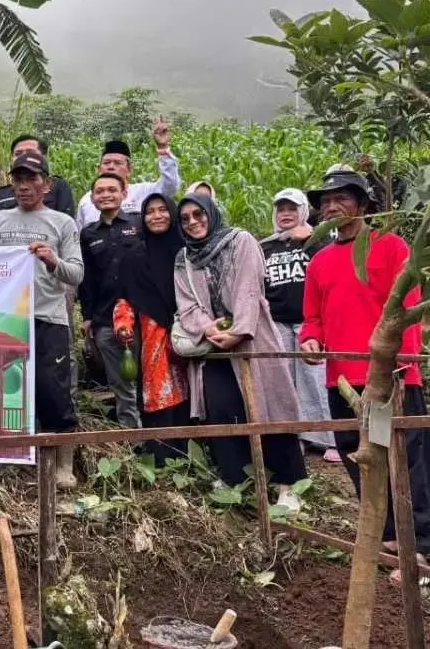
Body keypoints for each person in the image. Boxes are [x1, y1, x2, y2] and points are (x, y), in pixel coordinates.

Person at [300, 170, 430, 562]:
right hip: (341, 380)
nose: (331, 207)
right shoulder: (319, 261)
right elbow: (313, 318)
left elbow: (407, 310)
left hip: (391, 376)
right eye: (325, 201)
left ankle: (420, 543)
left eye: (341, 198)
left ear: (363, 204)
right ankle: (385, 536)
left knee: (404, 458)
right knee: (358, 456)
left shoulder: (391, 247)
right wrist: (310, 340)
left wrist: (402, 367)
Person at [174, 192, 307, 510]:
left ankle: (288, 484)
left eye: (198, 214)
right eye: (185, 218)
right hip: (213, 344)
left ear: (211, 213)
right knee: (221, 408)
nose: (193, 222)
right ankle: (235, 479)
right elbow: (186, 303)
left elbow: (249, 289)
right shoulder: (184, 257)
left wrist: (238, 330)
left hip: (251, 337)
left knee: (269, 405)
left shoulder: (240, 241)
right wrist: (208, 328)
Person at [0, 151, 84, 487]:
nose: (24, 186)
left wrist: (53, 260)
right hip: (6, 318)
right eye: (18, 179)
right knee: (4, 387)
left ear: (47, 184)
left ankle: (63, 465)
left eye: (31, 179)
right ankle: (10, 456)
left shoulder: (63, 223)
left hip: (48, 318)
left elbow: (77, 274)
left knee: (53, 389)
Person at [260, 189, 337, 461]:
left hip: (310, 323)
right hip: (277, 322)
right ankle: (297, 438)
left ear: (303, 211)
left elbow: (331, 265)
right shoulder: (265, 246)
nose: (286, 214)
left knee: (315, 379)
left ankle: (329, 438)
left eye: (292, 209)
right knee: (286, 382)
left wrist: (310, 238)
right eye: (281, 209)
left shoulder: (318, 240)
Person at [113, 193, 190, 464]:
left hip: (192, 332)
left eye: (162, 210)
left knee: (195, 392)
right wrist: (123, 325)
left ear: (173, 213)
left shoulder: (188, 251)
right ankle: (162, 458)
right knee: (159, 393)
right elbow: (124, 298)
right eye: (150, 212)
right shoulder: (134, 256)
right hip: (154, 334)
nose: (156, 216)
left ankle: (193, 457)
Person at [80, 173, 142, 430]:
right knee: (120, 383)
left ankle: (157, 438)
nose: (105, 195)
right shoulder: (88, 234)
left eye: (111, 190)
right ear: (92, 198)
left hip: (141, 316)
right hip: (105, 320)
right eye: (100, 191)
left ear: (123, 194)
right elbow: (87, 279)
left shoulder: (139, 223)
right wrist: (87, 317)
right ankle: (132, 438)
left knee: (146, 378)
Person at [75, 117, 182, 229]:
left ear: (129, 169)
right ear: (98, 169)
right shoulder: (87, 200)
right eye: (106, 163)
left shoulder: (144, 192)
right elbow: (81, 235)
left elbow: (170, 185)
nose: (111, 167)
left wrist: (163, 149)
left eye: (117, 163)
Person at [0, 135, 75, 217]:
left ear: (44, 157)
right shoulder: (0, 195)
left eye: (31, 152)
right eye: (18, 154)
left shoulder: (58, 187)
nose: (24, 156)